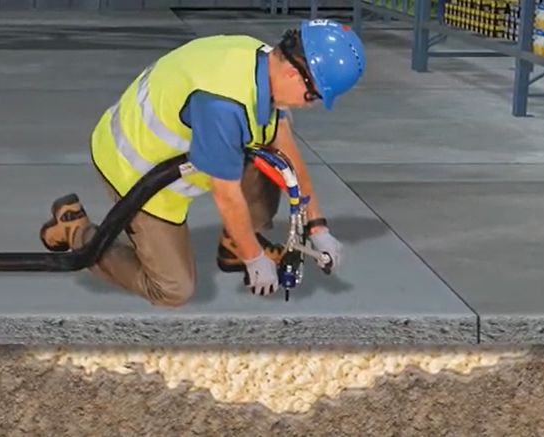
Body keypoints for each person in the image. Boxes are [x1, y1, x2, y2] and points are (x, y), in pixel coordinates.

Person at [39, 19, 365, 307]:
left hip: (186, 152)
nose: (312, 106)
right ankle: (77, 234)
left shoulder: (265, 60)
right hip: (134, 169)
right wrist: (255, 257)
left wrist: (317, 226)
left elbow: (287, 158)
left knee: (271, 161)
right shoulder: (223, 106)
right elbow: (226, 196)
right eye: (314, 96)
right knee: (173, 288)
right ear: (295, 72)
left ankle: (233, 246)